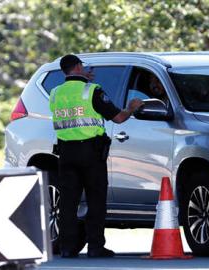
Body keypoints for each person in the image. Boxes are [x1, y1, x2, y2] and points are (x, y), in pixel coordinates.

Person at [49, 54, 143, 258]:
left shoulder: (55, 93)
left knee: (68, 203)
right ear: (77, 67)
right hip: (90, 154)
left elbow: (73, 106)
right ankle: (95, 247)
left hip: (65, 153)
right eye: (82, 66)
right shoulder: (92, 91)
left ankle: (67, 248)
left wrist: (83, 78)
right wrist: (132, 108)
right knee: (96, 200)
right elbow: (118, 118)